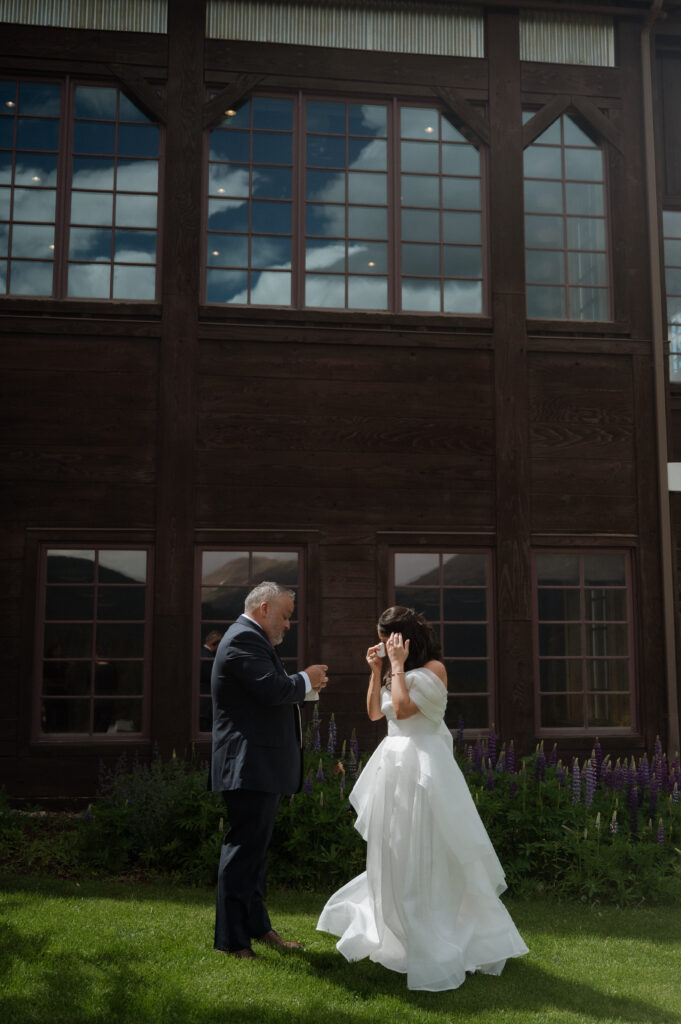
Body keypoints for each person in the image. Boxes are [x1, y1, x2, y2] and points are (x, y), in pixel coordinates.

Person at [317, 606, 528, 991]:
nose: (382, 645)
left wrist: (396, 666)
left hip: (424, 770)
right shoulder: (393, 671)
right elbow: (374, 714)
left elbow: (402, 708)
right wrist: (376, 671)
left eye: (386, 639)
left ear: (402, 638)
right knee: (395, 848)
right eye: (380, 640)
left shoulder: (433, 670)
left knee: (430, 849)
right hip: (393, 768)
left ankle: (443, 930)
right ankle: (398, 929)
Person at [211, 581, 328, 959]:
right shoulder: (244, 639)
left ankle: (258, 929)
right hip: (249, 766)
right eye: (286, 615)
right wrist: (306, 678)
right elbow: (273, 689)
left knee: (255, 856)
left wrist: (306, 688)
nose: (289, 624)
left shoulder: (250, 639)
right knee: (242, 854)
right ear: (264, 608)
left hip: (258, 764)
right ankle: (232, 942)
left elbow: (268, 694)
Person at [200, 630, 223, 733]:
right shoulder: (207, 657)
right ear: (215, 644)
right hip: (205, 699)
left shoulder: (201, 653)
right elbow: (209, 677)